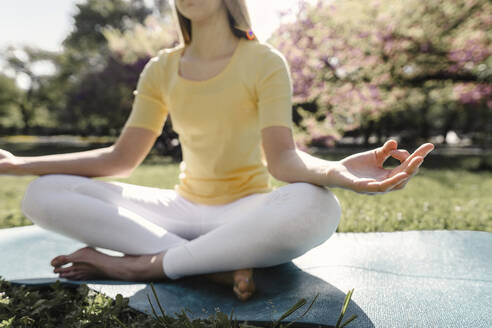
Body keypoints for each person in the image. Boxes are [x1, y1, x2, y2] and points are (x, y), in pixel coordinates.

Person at [0, 0, 434, 301]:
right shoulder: (161, 69)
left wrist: (335, 171)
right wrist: (20, 165)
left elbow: (282, 159)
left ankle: (141, 265)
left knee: (319, 207)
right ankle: (209, 266)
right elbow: (121, 159)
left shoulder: (264, 61)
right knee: (43, 193)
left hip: (244, 213)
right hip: (178, 207)